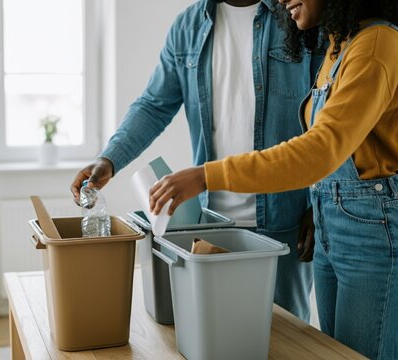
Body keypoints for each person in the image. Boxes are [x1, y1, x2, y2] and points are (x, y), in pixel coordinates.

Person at [148, 0, 398, 358]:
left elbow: (319, 150)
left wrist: (207, 175)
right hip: (335, 230)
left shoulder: (377, 44)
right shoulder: (340, 46)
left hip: (373, 235)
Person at [71, 0, 325, 322]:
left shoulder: (297, 16)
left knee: (285, 341)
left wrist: (320, 204)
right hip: (212, 223)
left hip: (285, 221)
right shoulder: (187, 28)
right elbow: (153, 105)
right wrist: (109, 159)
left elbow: (327, 119)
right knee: (217, 333)